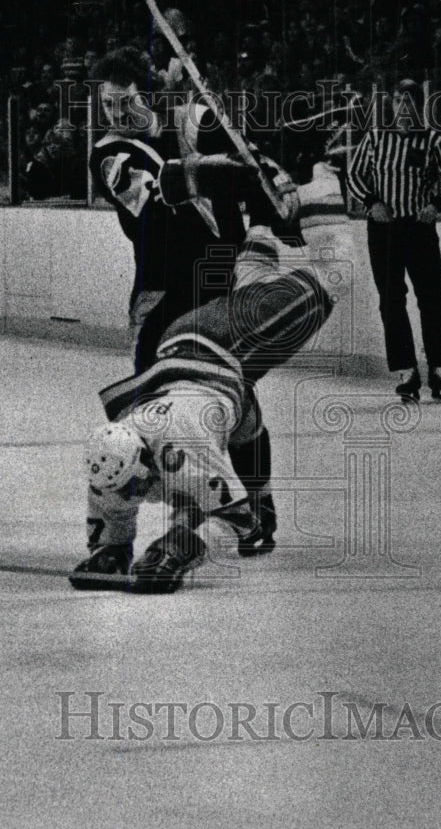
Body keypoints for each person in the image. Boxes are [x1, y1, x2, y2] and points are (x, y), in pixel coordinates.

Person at [87, 44, 300, 548]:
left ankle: (258, 505)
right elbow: (163, 191)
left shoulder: (188, 119)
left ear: (151, 94)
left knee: (237, 398)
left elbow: (249, 153)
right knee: (149, 409)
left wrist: (274, 178)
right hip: (161, 298)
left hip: (215, 287)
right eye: (108, 105)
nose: (118, 113)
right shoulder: (110, 152)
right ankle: (127, 525)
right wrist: (244, 174)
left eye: (127, 101)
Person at [70, 251, 333, 593]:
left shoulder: (181, 449)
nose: (126, 495)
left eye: (130, 487)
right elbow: (116, 518)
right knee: (204, 480)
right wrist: (112, 551)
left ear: (146, 459)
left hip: (215, 342)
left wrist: (183, 549)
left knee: (326, 285)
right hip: (198, 379)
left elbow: (238, 520)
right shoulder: (109, 469)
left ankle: (278, 220)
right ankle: (261, 229)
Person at [345, 79, 441, 402]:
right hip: (384, 231)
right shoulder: (376, 138)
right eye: (399, 101)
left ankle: (439, 368)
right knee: (391, 299)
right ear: (393, 105)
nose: (404, 108)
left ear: (418, 106)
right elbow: (354, 175)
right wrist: (372, 202)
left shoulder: (431, 139)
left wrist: (435, 205)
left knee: (432, 297)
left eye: (410, 102)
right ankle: (406, 369)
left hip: (418, 228)